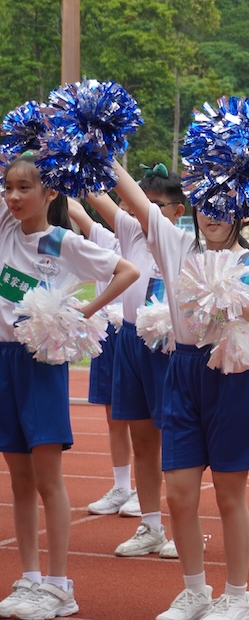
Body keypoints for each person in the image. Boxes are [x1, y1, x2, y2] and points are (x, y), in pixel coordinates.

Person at [110, 160, 249, 620]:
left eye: (225, 205)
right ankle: (195, 592)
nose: (213, 214)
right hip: (183, 373)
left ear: (243, 212)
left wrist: (246, 309)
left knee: (230, 496)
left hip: (232, 378)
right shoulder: (175, 246)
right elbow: (134, 197)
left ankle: (237, 597)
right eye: (206, 204)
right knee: (179, 494)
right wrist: (99, 146)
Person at [0, 154, 139, 620]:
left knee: (47, 478)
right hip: (3, 360)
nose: (13, 196)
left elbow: (127, 271)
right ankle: (30, 576)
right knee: (19, 480)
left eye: (24, 188)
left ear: (51, 192)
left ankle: (60, 585)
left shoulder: (62, 242)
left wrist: (84, 311)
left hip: (39, 363)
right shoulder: (5, 226)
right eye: (8, 187)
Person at [83, 166, 187, 560]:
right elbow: (95, 195)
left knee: (175, 439)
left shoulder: (180, 241)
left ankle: (183, 528)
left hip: (167, 347)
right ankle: (151, 526)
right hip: (129, 341)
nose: (143, 212)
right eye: (141, 203)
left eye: (155, 206)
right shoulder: (129, 231)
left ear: (177, 211)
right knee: (141, 441)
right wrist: (74, 151)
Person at [69, 199, 138, 523]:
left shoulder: (154, 243)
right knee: (114, 417)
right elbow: (76, 209)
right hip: (107, 333)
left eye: (133, 210)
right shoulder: (105, 238)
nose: (125, 215)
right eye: (122, 209)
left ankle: (144, 489)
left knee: (145, 419)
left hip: (139, 332)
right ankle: (121, 486)